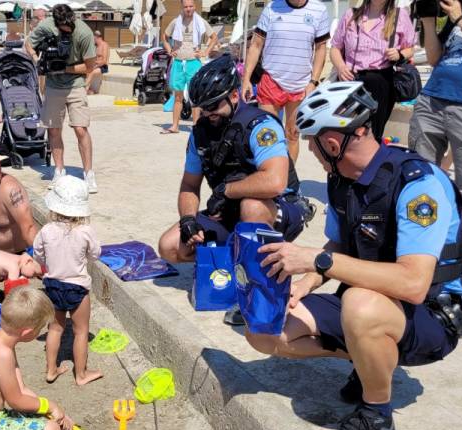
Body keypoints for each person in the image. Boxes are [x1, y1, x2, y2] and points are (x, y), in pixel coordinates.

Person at [246, 81, 462, 430]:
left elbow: (414, 284)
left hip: (432, 313)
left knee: (360, 304)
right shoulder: (342, 181)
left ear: (332, 144)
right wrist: (303, 286)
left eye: (312, 143)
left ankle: (376, 414)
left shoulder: (417, 184)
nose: (312, 152)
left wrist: (317, 260)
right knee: (265, 329)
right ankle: (369, 361)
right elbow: (337, 247)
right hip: (370, 302)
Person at [157, 56, 314, 324]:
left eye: (214, 105)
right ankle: (234, 264)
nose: (208, 113)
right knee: (170, 247)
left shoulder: (260, 126)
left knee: (251, 206)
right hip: (228, 210)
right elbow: (189, 185)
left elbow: (275, 181)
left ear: (233, 96)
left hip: (278, 208)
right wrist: (188, 220)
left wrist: (226, 190)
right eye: (203, 107)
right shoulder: (200, 133)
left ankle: (256, 289)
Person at [0, 286, 75, 430]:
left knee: (48, 421)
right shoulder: (2, 353)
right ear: (27, 332)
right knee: (50, 428)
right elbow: (16, 401)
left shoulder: (1, 340)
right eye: (40, 328)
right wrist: (51, 406)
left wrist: (52, 412)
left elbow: (22, 390)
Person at [241, 0, 330, 163]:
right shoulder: (271, 8)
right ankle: (269, 173)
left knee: (292, 134)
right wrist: (246, 78)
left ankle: (289, 176)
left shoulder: (319, 9)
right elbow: (256, 44)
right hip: (271, 81)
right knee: (267, 134)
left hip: (301, 84)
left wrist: (314, 82)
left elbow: (321, 49)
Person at [34, 176, 103, 386]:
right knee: (81, 331)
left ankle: (51, 370)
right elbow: (95, 254)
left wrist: (48, 261)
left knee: (55, 329)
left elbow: (38, 254)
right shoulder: (85, 231)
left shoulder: (46, 230)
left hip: (53, 285)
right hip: (77, 286)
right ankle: (81, 374)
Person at [29, 4, 98, 193]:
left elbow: (90, 67)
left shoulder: (84, 32)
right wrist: (36, 58)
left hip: (76, 84)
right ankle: (59, 170)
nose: (68, 31)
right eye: (64, 29)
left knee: (81, 129)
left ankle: (88, 173)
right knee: (53, 129)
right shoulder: (46, 25)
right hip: (53, 86)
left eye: (70, 27)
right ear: (56, 24)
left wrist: (63, 68)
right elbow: (29, 43)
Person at [330, 0, 415, 142]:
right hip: (350, 81)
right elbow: (335, 48)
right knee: (345, 136)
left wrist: (399, 54)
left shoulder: (400, 15)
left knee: (372, 137)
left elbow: (410, 48)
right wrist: (340, 67)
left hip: (381, 84)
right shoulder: (350, 15)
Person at [409, 0, 462, 193]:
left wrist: (460, 19)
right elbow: (434, 59)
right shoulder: (456, 13)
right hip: (431, 99)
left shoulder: (458, 15)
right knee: (419, 177)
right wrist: (427, 19)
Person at [161, 0, 218, 134]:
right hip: (178, 62)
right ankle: (175, 126)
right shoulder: (176, 21)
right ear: (182, 7)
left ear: (194, 7)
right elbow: (164, 36)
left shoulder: (200, 21)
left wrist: (205, 52)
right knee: (178, 96)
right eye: (186, 6)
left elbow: (214, 37)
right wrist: (169, 50)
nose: (188, 9)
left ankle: (196, 126)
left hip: (193, 62)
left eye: (191, 6)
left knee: (194, 97)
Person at [85, 31, 110, 95]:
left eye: (93, 38)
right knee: (85, 70)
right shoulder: (96, 46)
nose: (93, 40)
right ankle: (88, 89)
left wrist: (95, 66)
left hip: (103, 67)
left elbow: (104, 61)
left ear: (96, 37)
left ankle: (85, 89)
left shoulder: (104, 45)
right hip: (96, 65)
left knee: (91, 72)